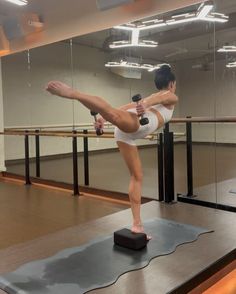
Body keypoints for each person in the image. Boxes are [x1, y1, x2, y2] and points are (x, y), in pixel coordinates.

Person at [46, 64, 178, 240]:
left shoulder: (156, 97)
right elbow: (162, 97)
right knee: (113, 115)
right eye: (173, 86)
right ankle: (74, 94)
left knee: (137, 176)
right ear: (171, 84)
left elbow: (139, 103)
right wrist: (144, 104)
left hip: (127, 133)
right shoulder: (171, 95)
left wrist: (102, 119)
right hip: (139, 124)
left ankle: (137, 225)